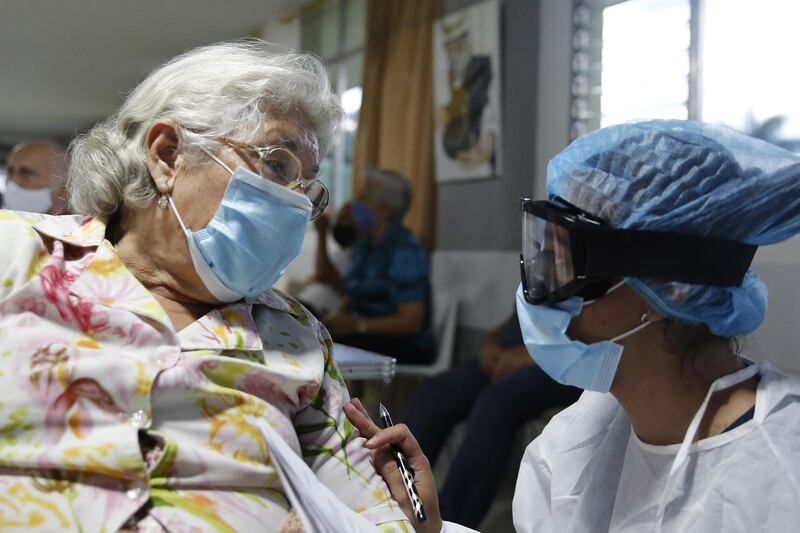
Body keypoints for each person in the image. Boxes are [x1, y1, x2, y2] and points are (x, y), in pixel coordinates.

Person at [0, 41, 411, 532]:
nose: (296, 203)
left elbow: (374, 513)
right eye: (278, 164)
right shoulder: (20, 255)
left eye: (307, 185)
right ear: (167, 156)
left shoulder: (294, 332)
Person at [344, 120, 800, 532]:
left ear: (673, 288)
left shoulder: (780, 478)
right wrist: (435, 530)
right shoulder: (580, 435)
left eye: (563, 263)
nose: (533, 292)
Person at [405, 304, 581, 528]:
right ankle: (397, 496)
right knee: (433, 394)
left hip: (563, 364)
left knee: (495, 403)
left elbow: (595, 337)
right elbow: (519, 314)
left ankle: (448, 523)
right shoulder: (537, 271)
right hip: (510, 351)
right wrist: (491, 341)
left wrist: (531, 357)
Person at [325, 169, 434, 364]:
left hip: (404, 343)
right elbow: (353, 293)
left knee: (323, 346)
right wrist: (338, 316)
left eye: (364, 197)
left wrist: (357, 325)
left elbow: (411, 321)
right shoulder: (364, 244)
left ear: (385, 210)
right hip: (364, 333)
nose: (355, 202)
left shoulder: (405, 250)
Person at [295, 202, 358, 319]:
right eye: (340, 218)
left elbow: (323, 274)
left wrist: (322, 234)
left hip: (316, 311)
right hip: (303, 304)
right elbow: (315, 278)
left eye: (346, 219)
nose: (340, 223)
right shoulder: (340, 253)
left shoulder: (357, 256)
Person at [3, 140, 68, 214]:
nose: (12, 180)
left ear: (63, 191)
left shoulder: (78, 225)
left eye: (27, 173)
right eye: (10, 172)